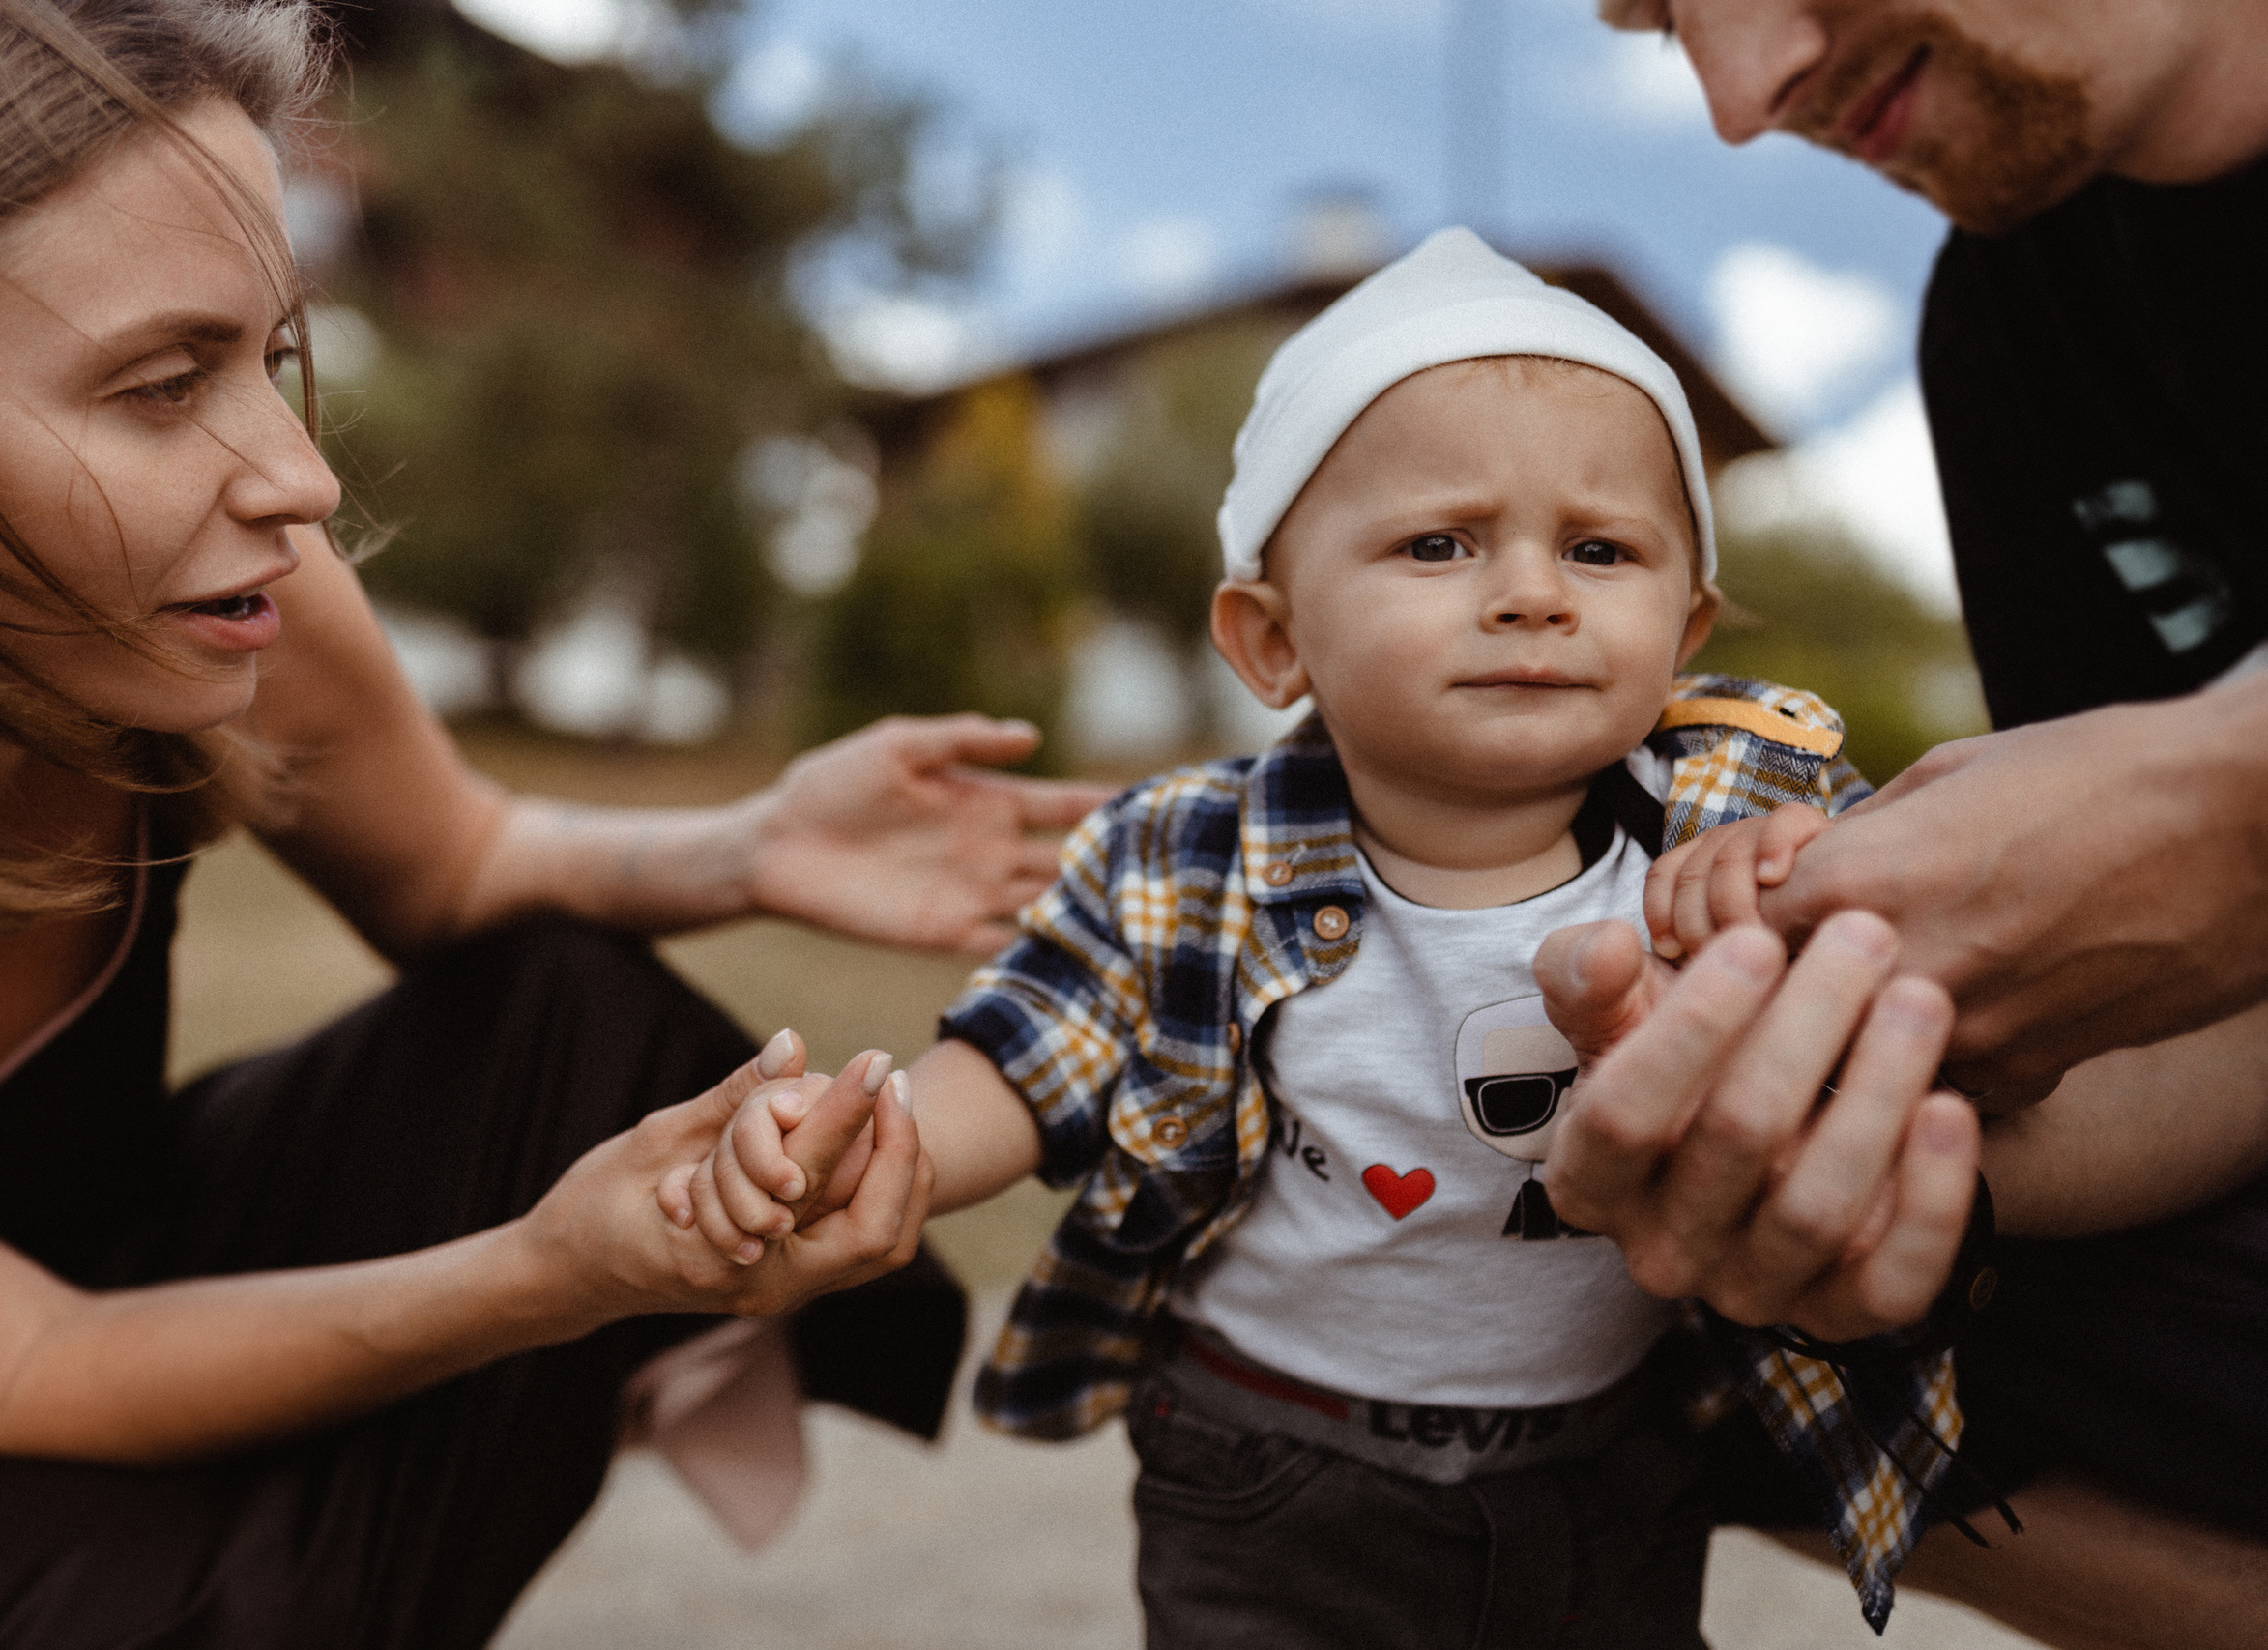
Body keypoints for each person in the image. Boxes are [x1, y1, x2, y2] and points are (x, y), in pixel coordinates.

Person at [0, 3, 1113, 1646]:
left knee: (566, 1011)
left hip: (84, 1283)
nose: (298, 480)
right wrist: (555, 1271)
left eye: (273, 358)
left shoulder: (218, 596)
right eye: (164, 385)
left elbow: (459, 866)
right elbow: (22, 1363)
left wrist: (746, 848)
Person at [681, 228, 1986, 1645]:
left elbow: (1932, 991)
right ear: (1273, 641)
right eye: (1439, 543)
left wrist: (1800, 893)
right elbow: (1032, 1050)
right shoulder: (1186, 854)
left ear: (1685, 628)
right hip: (1267, 1459)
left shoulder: (1735, 829)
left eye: (1600, 550)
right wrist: (875, 1144)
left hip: (1610, 1459)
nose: (1533, 592)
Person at [1545, 4, 2268, 1645]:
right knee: (1588, 1282)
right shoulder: (2016, 323)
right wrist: (1888, 1111)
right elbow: (2233, 1003)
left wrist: (2227, 799)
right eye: (1664, 22)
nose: (1743, 95)